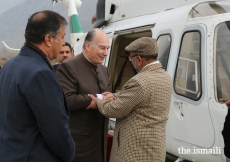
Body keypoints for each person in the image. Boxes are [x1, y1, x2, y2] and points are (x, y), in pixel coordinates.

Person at [0, 10, 75, 162]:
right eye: (62, 37)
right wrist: (69, 154)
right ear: (48, 39)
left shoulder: (9, 66)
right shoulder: (41, 73)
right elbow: (56, 133)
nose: (62, 42)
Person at [88, 37, 173, 162]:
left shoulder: (139, 82)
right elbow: (143, 98)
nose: (131, 61)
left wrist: (99, 101)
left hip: (135, 153)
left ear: (139, 59)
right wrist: (116, 96)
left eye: (130, 58)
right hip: (154, 149)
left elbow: (114, 110)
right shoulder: (165, 77)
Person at [56, 28, 110, 162]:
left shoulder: (103, 70)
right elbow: (66, 100)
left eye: (108, 48)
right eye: (102, 48)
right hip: (80, 145)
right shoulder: (69, 67)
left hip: (100, 143)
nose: (106, 53)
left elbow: (106, 96)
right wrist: (95, 99)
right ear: (87, 46)